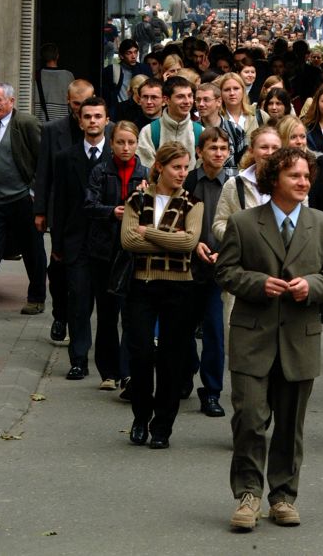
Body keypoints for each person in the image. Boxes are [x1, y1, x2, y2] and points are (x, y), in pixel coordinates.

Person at [215, 147, 323, 531]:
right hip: (252, 338)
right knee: (249, 420)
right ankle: (248, 495)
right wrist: (258, 283)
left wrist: (312, 286)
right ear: (274, 180)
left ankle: (284, 496)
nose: (303, 182)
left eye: (307, 176)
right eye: (294, 176)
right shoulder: (243, 223)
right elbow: (225, 272)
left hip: (299, 339)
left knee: (290, 425)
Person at [120, 143, 202, 448]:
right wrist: (170, 238)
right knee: (140, 353)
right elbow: (128, 241)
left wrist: (149, 232)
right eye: (176, 167)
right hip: (141, 284)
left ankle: (162, 427)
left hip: (180, 286)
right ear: (159, 167)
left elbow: (189, 243)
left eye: (186, 167)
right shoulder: (138, 198)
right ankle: (140, 417)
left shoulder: (193, 203)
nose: (182, 173)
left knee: (172, 357)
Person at [83, 121, 149, 389]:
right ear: (111, 144)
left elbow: (152, 209)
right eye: (120, 142)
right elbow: (89, 205)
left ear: (137, 144)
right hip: (103, 251)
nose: (125, 147)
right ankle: (108, 371)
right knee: (107, 314)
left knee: (131, 315)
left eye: (130, 142)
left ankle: (127, 370)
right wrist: (112, 212)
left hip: (132, 252)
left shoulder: (144, 173)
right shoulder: (100, 171)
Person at [52, 97, 111, 378]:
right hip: (77, 241)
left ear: (106, 120)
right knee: (78, 303)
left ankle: (109, 366)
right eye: (87, 116)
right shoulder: (66, 158)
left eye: (98, 116)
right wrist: (58, 244)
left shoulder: (116, 154)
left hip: (108, 243)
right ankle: (78, 359)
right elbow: (60, 202)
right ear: (80, 121)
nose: (92, 121)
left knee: (108, 307)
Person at [34, 78, 95, 340]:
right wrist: (40, 211)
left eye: (86, 103)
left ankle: (79, 322)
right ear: (68, 102)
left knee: (85, 273)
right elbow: (43, 172)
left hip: (93, 211)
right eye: (76, 104)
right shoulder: (52, 130)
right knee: (58, 269)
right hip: (61, 209)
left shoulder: (106, 127)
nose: (81, 109)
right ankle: (60, 315)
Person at [183, 128, 234, 417]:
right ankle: (185, 370)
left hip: (219, 268)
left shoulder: (233, 185)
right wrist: (194, 245)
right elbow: (175, 221)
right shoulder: (189, 180)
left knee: (215, 330)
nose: (218, 153)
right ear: (200, 152)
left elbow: (238, 225)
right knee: (183, 328)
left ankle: (212, 391)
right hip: (188, 266)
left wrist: (223, 252)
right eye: (212, 148)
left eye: (223, 148)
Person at [0, 82, 47, 315]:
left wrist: (35, 193)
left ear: (11, 101)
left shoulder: (26, 123)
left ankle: (36, 298)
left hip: (22, 199)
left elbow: (43, 159)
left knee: (32, 250)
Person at [212, 126, 282, 243]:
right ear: (251, 151)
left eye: (275, 148)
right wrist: (240, 239)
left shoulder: (293, 183)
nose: (270, 152)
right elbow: (220, 223)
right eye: (264, 147)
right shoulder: (234, 185)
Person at [137, 76, 202, 171]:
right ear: (166, 100)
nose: (187, 101)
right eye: (180, 97)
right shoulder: (149, 131)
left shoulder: (200, 132)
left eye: (190, 96)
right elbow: (146, 169)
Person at [218, 72, 266, 167]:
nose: (232, 93)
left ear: (243, 90)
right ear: (220, 93)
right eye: (227, 90)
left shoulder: (260, 115)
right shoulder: (217, 119)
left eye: (236, 88)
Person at [102, 39, 152, 120]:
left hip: (139, 111)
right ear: (121, 55)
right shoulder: (111, 71)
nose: (133, 56)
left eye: (135, 52)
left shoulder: (144, 69)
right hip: (119, 112)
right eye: (129, 53)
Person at [34, 42, 75, 123]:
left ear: (42, 57)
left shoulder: (35, 75)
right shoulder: (68, 75)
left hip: (40, 122)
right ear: (57, 56)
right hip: (61, 122)